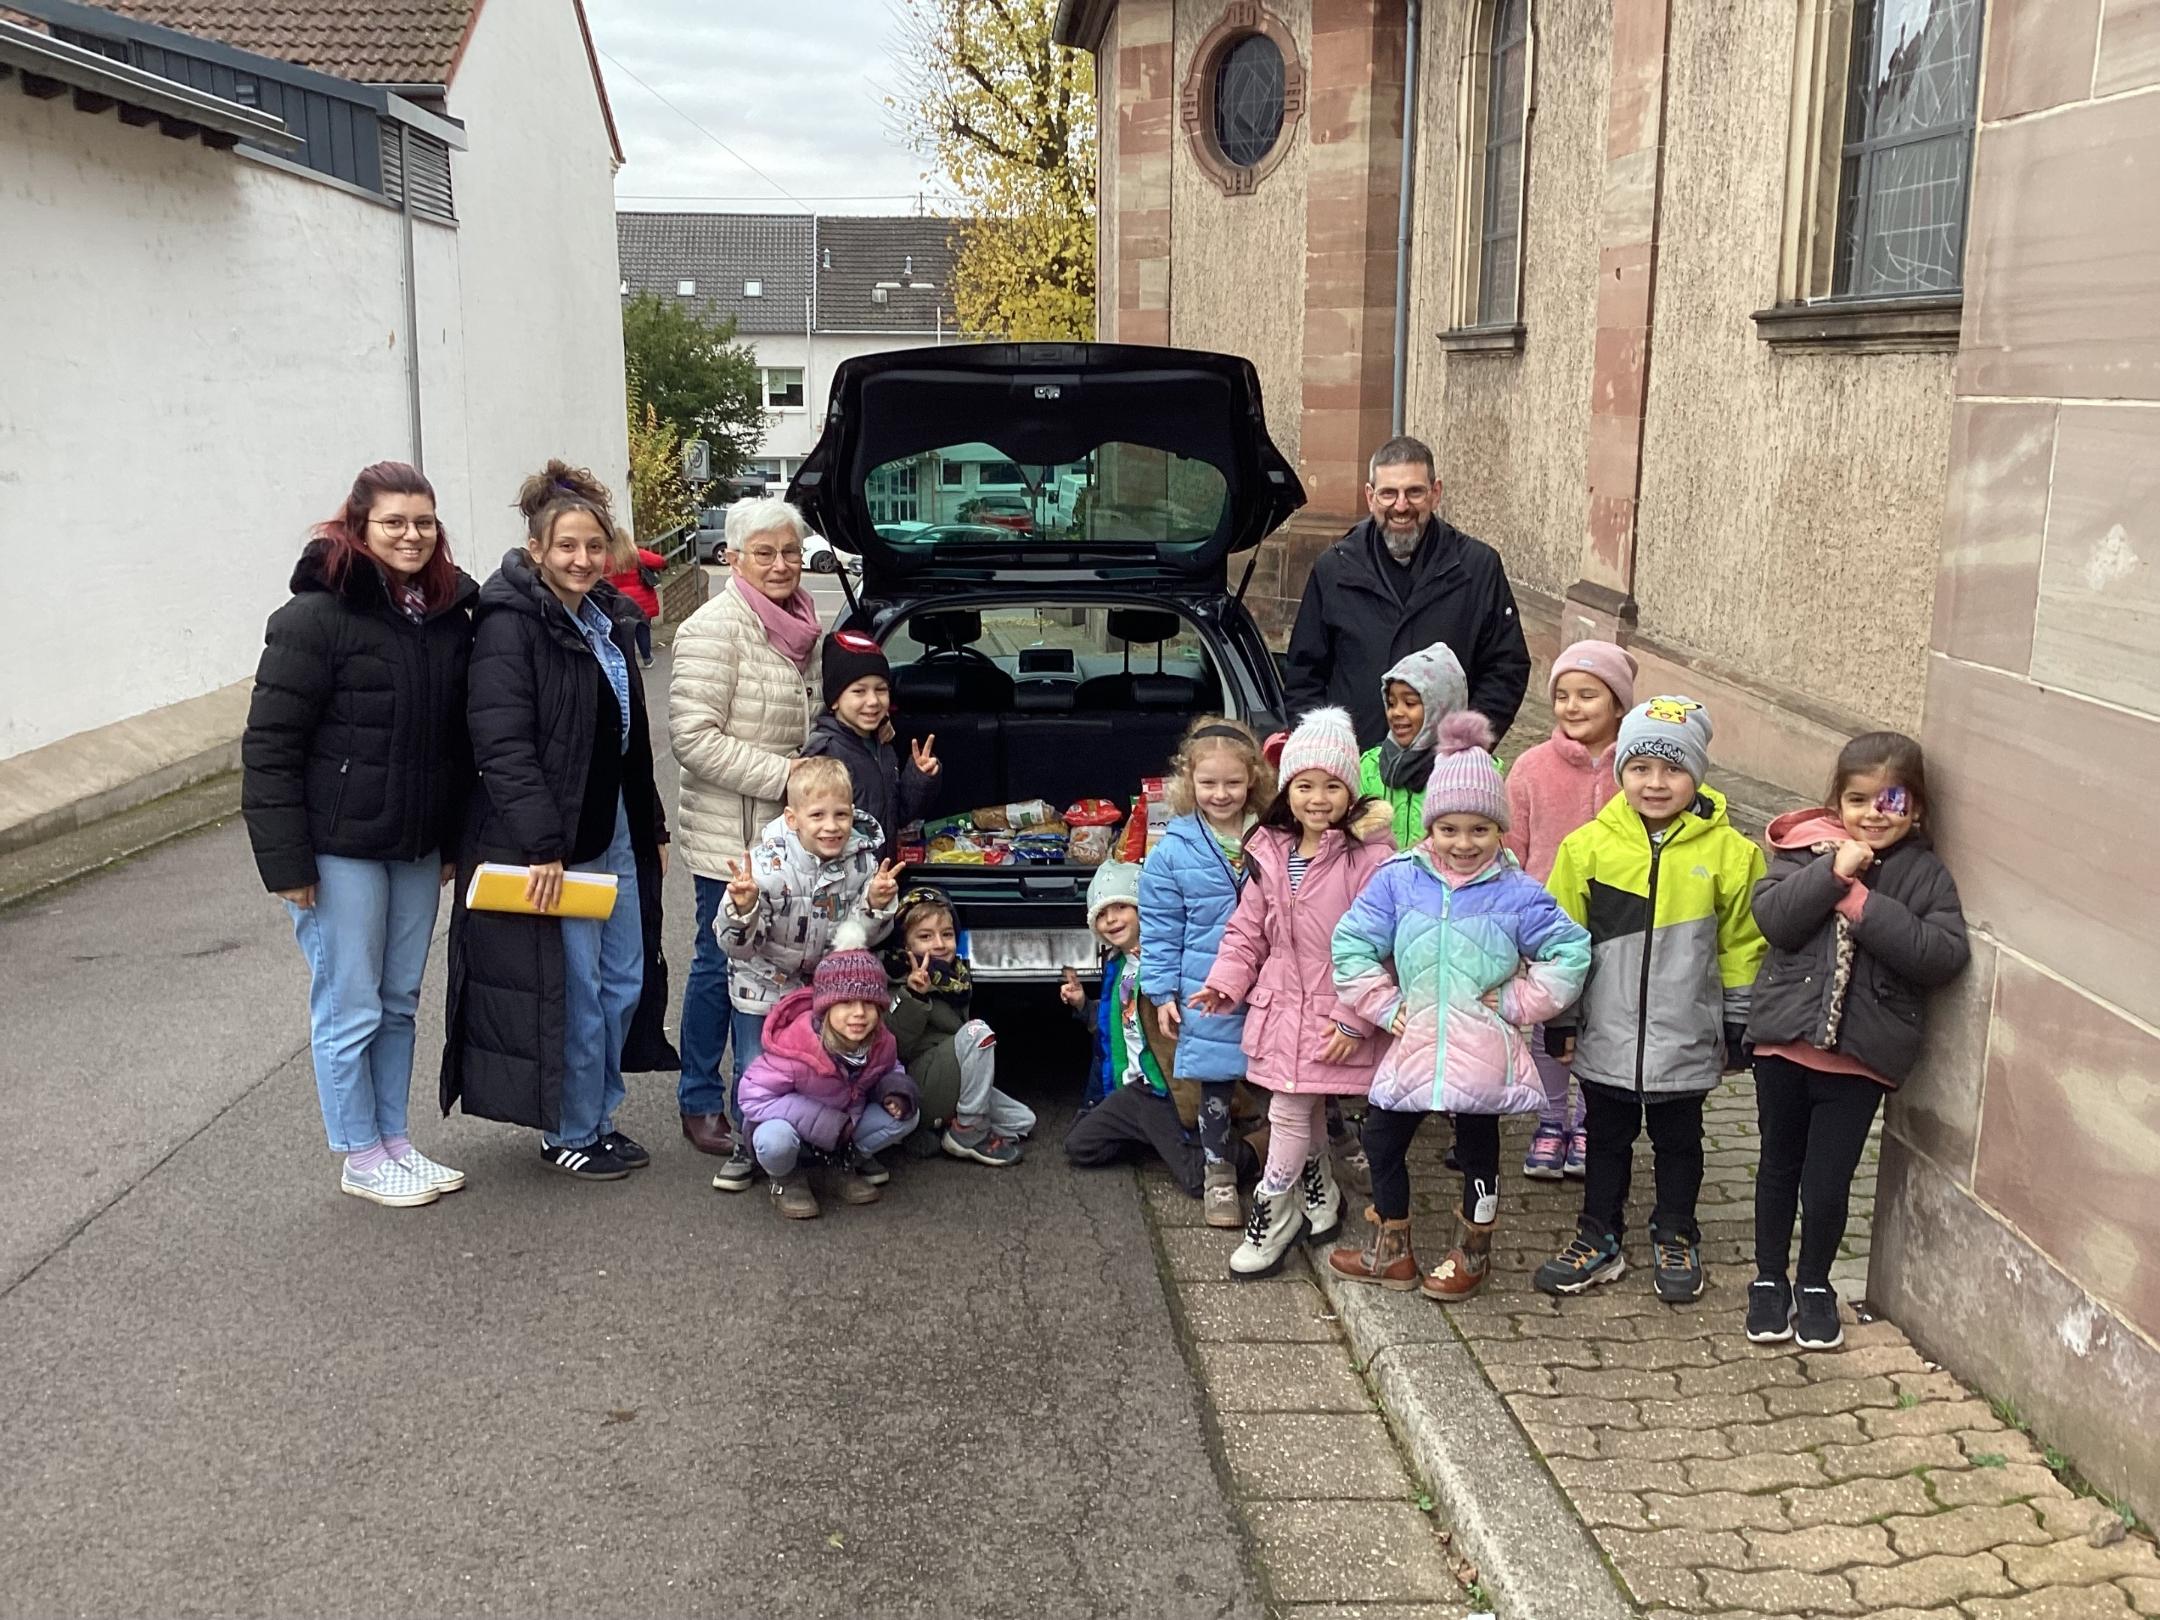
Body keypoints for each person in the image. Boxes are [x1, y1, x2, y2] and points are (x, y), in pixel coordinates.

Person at [242, 462, 477, 1209]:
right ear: (359, 526)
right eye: (395, 522)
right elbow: (271, 747)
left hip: (411, 849)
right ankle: (358, 1152)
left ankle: (393, 1140)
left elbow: (450, 744)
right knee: (351, 1006)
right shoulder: (314, 620)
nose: (412, 535)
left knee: (401, 999)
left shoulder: (442, 618)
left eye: (424, 521)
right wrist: (286, 864)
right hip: (337, 848)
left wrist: (447, 841)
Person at [440, 461, 671, 1181]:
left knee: (623, 982)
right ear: (536, 549)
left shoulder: (605, 620)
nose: (581, 559)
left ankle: (600, 1115)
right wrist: (543, 845)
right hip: (558, 845)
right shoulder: (510, 628)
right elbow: (502, 746)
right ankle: (569, 1128)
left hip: (619, 834)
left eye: (592, 547)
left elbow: (628, 738)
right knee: (573, 992)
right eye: (566, 546)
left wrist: (653, 826)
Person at [1328, 714, 1591, 1296]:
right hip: (1415, 1039)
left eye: (1479, 829)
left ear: (1499, 830)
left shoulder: (1518, 893)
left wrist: (1522, 1001)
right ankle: (1391, 1248)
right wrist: (1382, 1004)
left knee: (1477, 1146)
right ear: (1430, 827)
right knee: (1382, 1139)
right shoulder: (1399, 880)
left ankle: (1473, 1252)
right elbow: (1352, 944)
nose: (1464, 843)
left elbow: (1569, 948)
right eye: (1448, 828)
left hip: (1481, 1046)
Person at [1532, 697, 1768, 1301]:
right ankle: (1598, 1234)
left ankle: (1675, 1230)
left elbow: (1743, 944)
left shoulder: (1732, 855)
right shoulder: (1586, 848)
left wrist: (1738, 1019)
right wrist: (1560, 1017)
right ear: (1621, 772)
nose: (1655, 783)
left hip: (1685, 1037)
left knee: (1680, 1142)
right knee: (1605, 1138)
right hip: (1606, 1034)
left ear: (1698, 774)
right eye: (1640, 768)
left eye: (1673, 769)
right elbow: (1561, 941)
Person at [1745, 732, 1967, 1351]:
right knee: (1776, 1167)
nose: (1874, 813)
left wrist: (1863, 902)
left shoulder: (1927, 876)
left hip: (1858, 1062)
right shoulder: (1802, 850)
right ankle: (1768, 1280)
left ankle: (1814, 1283)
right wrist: (1829, 874)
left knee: (1827, 1180)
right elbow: (1775, 920)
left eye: (1891, 800)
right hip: (1783, 1047)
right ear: (1837, 802)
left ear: (1916, 808)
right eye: (1858, 798)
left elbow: (1941, 954)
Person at [1192, 708, 1395, 1280]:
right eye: (1305, 785)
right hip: (1281, 1008)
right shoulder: (1271, 852)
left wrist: (1358, 1018)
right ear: (1287, 790)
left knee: (1287, 1110)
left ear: (1351, 792)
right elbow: (1247, 930)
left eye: (1333, 786)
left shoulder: (1369, 859)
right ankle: (1322, 1194)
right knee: (1298, 1109)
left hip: (1334, 1011)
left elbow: (1382, 947)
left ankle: (1273, 1212)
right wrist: (1225, 982)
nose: (1317, 798)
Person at [670, 498, 823, 1171]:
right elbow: (693, 740)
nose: (781, 564)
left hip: (787, 835)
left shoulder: (802, 625)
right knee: (720, 964)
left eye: (789, 551)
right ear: (732, 559)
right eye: (765, 553)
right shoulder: (714, 629)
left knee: (776, 965)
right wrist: (789, 777)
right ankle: (701, 1099)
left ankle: (766, 1092)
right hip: (730, 837)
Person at [712, 756, 903, 1190]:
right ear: (792, 818)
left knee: (823, 1067)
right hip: (761, 985)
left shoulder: (861, 863)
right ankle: (750, 1143)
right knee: (754, 1066)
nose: (832, 826)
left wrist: (875, 903)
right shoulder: (766, 868)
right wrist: (742, 909)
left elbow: (858, 939)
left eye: (842, 814)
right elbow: (734, 942)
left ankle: (831, 1144)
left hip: (822, 989)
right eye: (817, 815)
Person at [1283, 436, 1532, 748]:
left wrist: (1465, 746)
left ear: (1435, 493)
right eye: (1389, 493)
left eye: (1414, 492)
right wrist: (1323, 752)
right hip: (1356, 766)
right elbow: (1304, 675)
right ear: (1371, 497)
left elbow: (1506, 669)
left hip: (1444, 770)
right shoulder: (1334, 569)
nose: (1401, 506)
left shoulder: (1478, 568)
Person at [1503, 640, 1637, 1180]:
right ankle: (1551, 1120)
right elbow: (1511, 844)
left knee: (1604, 1023)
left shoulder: (1637, 768)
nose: (1572, 706)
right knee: (1548, 1024)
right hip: (1547, 924)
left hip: (1618, 924)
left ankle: (1587, 1121)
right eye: (1562, 695)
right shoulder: (1532, 767)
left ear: (1620, 704)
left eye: (1588, 695)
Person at [1141, 717, 1273, 1228]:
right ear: (1188, 783)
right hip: (1206, 988)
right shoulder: (1174, 850)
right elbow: (1159, 927)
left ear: (1253, 782)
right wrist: (1162, 991)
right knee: (1214, 1085)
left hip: (1268, 984)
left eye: (1234, 783)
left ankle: (1294, 1164)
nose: (1222, 794)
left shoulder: (1271, 838)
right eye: (1209, 783)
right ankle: (1219, 1173)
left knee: (1282, 1081)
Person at [735, 926, 921, 1219]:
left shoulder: (881, 1041)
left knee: (907, 1116)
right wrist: (822, 1122)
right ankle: (785, 1180)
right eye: (846, 1003)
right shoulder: (798, 1046)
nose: (859, 1013)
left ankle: (840, 1165)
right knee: (774, 1140)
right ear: (825, 1007)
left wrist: (894, 1088)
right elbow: (751, 1097)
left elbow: (890, 1067)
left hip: (841, 1130)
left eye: (869, 1004)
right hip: (795, 1127)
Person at [1063, 862, 1222, 1196]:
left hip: (1162, 1087)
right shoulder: (1118, 966)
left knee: (1197, 1181)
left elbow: (1187, 1009)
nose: (1112, 920)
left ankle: (1252, 1150)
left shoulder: (1169, 959)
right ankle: (1160, 1137)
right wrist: (1083, 1005)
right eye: (1102, 914)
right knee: (1080, 1145)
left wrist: (1155, 969)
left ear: (1143, 909)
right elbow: (1120, 1027)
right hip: (1130, 1089)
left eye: (1121, 907)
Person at [883, 884, 1034, 1166]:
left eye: (947, 935)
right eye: (925, 936)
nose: (939, 944)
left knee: (1023, 1121)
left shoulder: (954, 977)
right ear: (905, 945)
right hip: (918, 1083)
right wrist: (914, 996)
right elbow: (895, 1045)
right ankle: (966, 1131)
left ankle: (942, 1129)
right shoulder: (897, 976)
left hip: (950, 1075)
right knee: (978, 1033)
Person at [800, 629, 940, 859]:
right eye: (859, 691)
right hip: (844, 887)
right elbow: (815, 840)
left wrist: (919, 777)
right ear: (834, 699)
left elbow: (896, 816)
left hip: (879, 880)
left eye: (881, 689)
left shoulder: (881, 746)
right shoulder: (825, 755)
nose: (873, 701)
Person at [1357, 642, 1469, 849]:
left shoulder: (1468, 773)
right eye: (1391, 703)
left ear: (1440, 707)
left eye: (1410, 703)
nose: (1396, 712)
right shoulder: (1370, 767)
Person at [606, 543, 666, 666]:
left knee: (623, 632)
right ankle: (647, 657)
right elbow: (660, 561)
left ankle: (627, 660)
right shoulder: (636, 555)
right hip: (641, 600)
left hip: (619, 601)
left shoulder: (607, 558)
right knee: (643, 629)